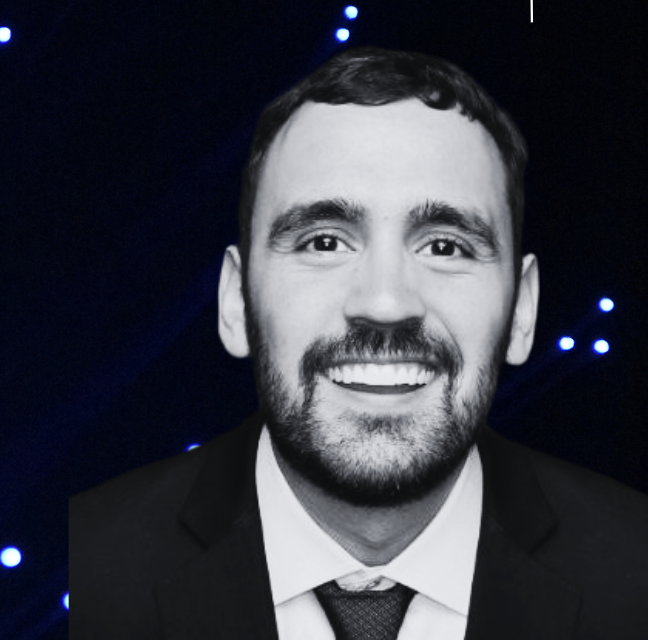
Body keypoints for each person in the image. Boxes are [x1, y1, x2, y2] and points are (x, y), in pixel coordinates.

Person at [70, 47, 648, 639]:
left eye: (445, 246)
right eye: (324, 242)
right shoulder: (86, 565)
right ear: (235, 302)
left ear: (522, 311)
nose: (385, 303)